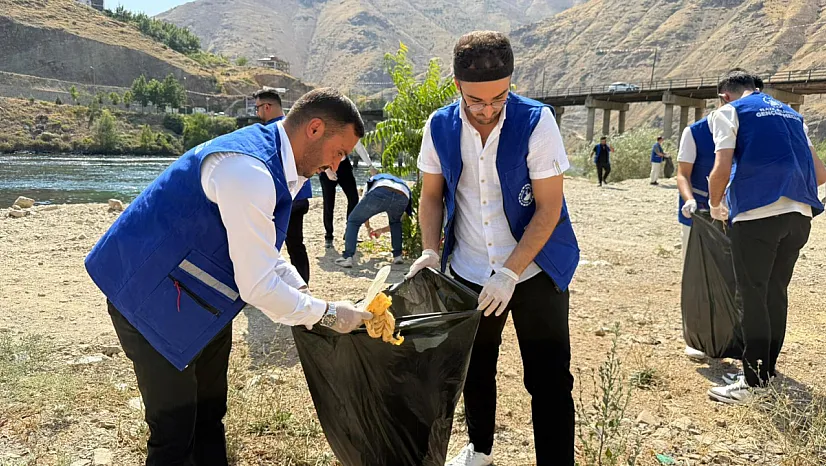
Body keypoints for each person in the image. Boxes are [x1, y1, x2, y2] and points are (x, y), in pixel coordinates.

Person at [84, 88, 373, 465]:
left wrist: (298, 287)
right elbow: (256, 286)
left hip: (200, 298)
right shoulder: (248, 170)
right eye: (339, 153)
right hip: (147, 292)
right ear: (315, 129)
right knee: (174, 431)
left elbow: (263, 252)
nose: (336, 167)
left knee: (209, 412)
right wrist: (329, 314)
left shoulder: (280, 167)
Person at [407, 31, 580, 466]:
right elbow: (431, 195)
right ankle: (480, 448)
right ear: (457, 87)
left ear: (511, 83)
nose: (488, 111)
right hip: (468, 270)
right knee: (475, 368)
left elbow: (548, 209)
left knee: (549, 378)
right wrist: (431, 251)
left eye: (499, 98)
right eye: (476, 101)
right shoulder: (439, 125)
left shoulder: (537, 122)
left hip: (535, 270)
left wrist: (510, 272)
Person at [706, 70, 826, 404]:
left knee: (752, 294)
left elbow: (720, 167)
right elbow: (820, 174)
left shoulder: (728, 112)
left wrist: (715, 205)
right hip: (799, 216)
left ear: (724, 95)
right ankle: (763, 372)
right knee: (775, 292)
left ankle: (753, 383)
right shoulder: (792, 114)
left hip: (757, 215)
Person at [254, 87, 313, 283]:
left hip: (280, 197)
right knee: (296, 244)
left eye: (258, 108)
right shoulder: (296, 129)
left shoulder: (269, 133)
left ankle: (267, 286)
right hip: (301, 195)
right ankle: (303, 285)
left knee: (267, 245)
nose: (257, 113)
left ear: (268, 107)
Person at [676, 114, 716, 361]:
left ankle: (726, 337)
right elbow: (682, 174)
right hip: (698, 214)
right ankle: (697, 339)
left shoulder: (746, 127)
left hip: (733, 214)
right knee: (695, 276)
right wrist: (690, 200)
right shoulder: (695, 132)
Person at [335, 168, 411, 268]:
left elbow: (363, 204)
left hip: (381, 191)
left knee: (353, 220)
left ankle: (348, 257)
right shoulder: (399, 181)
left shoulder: (373, 180)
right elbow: (401, 220)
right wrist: (381, 230)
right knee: (396, 223)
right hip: (403, 194)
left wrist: (368, 227)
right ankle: (398, 256)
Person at [320, 143, 372, 248]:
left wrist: (370, 165)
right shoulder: (326, 127)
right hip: (327, 165)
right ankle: (328, 236)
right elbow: (319, 148)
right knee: (329, 202)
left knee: (353, 198)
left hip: (344, 165)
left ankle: (349, 233)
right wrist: (327, 170)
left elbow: (359, 147)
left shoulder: (350, 129)